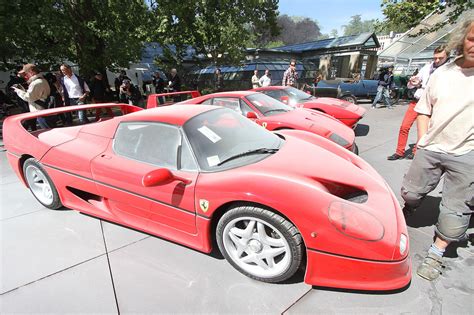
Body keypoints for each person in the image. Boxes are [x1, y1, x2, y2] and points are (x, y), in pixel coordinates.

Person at [401, 17, 474, 281]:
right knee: (410, 193)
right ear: (462, 38)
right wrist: (422, 140)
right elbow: (424, 110)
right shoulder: (442, 73)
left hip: (467, 153)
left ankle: (437, 251)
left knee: (455, 212)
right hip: (432, 147)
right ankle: (411, 206)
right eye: (472, 39)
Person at [387, 46, 450, 161]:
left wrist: (421, 85)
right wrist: (413, 81)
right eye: (435, 58)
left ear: (447, 57)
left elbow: (438, 89)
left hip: (431, 105)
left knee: (423, 130)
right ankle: (399, 152)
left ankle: (416, 152)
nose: (437, 61)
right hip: (416, 102)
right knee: (404, 126)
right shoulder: (427, 67)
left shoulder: (448, 71)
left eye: (440, 58)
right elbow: (411, 85)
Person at [11, 63, 51, 129]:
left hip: (41, 112)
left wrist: (18, 90)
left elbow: (29, 97)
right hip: (42, 111)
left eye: (25, 74)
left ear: (31, 72)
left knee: (48, 132)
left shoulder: (36, 83)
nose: (25, 76)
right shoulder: (41, 80)